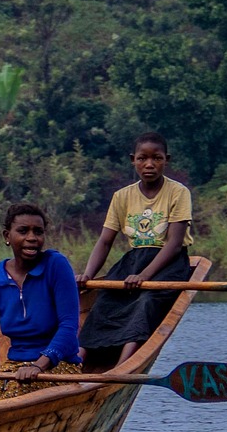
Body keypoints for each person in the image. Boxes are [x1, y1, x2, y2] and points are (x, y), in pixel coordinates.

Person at [79, 132, 194, 364]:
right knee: (104, 301)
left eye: (157, 158)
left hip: (168, 263)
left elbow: (173, 243)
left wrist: (144, 276)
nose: (149, 164)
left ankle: (123, 365)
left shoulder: (178, 192)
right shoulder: (122, 196)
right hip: (133, 261)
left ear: (166, 160)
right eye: (142, 158)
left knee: (145, 302)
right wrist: (88, 275)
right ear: (133, 160)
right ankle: (78, 360)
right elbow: (105, 241)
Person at [0, 203, 84, 404]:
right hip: (14, 366)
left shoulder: (56, 265)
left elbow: (69, 326)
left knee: (11, 397)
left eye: (38, 232)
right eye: (23, 231)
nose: (32, 238)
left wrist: (39, 365)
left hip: (57, 365)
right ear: (7, 236)